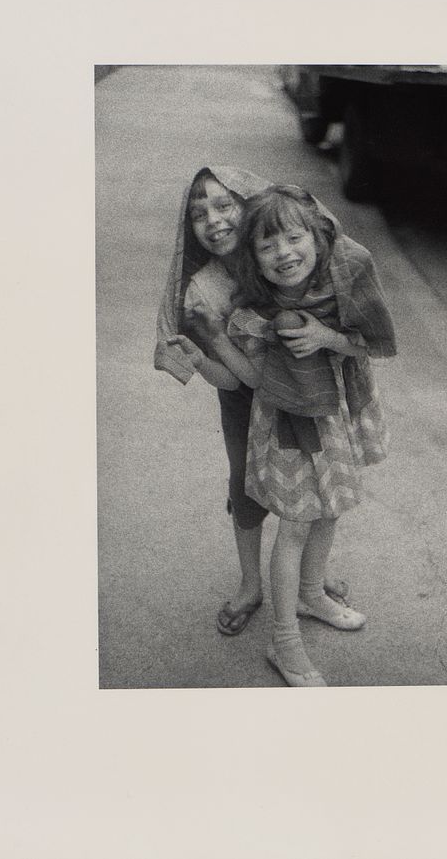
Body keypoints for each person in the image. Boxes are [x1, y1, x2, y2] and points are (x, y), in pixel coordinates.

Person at [206, 185, 396, 686]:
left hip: (336, 416)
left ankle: (312, 594)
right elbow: (245, 378)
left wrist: (326, 337)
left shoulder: (341, 286)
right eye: (268, 247)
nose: (285, 254)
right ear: (253, 259)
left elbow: (368, 343)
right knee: (295, 525)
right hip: (291, 431)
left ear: (317, 236)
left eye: (294, 238)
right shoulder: (252, 313)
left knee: (329, 508)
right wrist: (205, 350)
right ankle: (283, 640)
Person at [154, 167, 352, 637]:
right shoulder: (201, 290)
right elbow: (229, 380)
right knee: (247, 489)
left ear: (249, 204)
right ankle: (250, 585)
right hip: (245, 403)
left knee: (322, 488)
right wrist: (202, 353)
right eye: (198, 214)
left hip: (312, 395)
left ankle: (309, 580)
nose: (214, 220)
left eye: (224, 205)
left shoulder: (279, 255)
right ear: (191, 230)